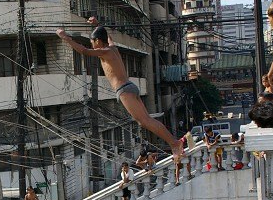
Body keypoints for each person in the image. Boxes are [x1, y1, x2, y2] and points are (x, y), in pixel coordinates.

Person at [57, 17, 184, 160]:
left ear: (98, 41)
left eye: (92, 42)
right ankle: (174, 142)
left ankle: (175, 143)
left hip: (124, 90)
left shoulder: (104, 51)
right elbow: (109, 37)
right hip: (130, 87)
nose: (92, 45)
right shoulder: (112, 48)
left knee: (144, 121)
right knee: (146, 119)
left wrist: (65, 38)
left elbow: (84, 51)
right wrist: (98, 24)